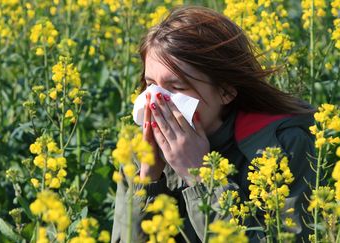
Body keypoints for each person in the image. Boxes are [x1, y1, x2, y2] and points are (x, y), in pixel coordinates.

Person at [111, 5, 317, 243]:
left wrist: (201, 177)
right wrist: (146, 181)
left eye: (177, 87)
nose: (157, 100)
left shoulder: (282, 146)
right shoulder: (140, 150)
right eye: (150, 84)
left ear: (226, 90)